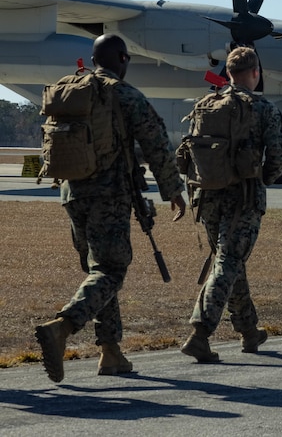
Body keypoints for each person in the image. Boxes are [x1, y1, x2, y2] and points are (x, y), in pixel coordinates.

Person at [34, 34, 188, 383]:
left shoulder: (72, 89)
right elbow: (157, 144)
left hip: (72, 193)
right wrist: (173, 191)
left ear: (93, 60)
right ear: (122, 59)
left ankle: (110, 351)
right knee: (111, 270)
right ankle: (62, 327)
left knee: (98, 271)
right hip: (109, 195)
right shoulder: (123, 94)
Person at [180, 46, 282, 362]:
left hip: (207, 196)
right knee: (229, 262)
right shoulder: (263, 108)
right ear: (255, 73)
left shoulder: (206, 104)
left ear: (228, 73)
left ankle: (248, 330)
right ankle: (200, 332)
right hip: (243, 197)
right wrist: (262, 179)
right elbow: (280, 155)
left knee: (229, 261)